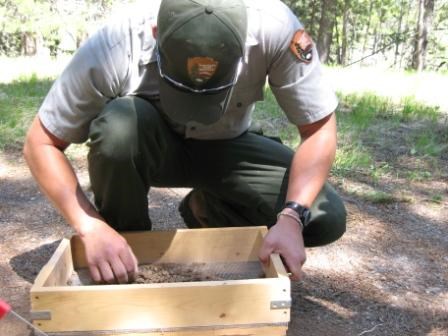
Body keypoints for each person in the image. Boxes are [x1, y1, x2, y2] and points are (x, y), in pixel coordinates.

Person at [23, 0, 346, 284]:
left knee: (322, 217)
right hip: (149, 148)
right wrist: (90, 225)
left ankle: (208, 209)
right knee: (118, 127)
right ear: (155, 34)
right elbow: (41, 143)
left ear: (245, 46)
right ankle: (123, 244)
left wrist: (290, 217)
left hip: (227, 147)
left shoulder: (275, 27)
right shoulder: (116, 43)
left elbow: (319, 128)